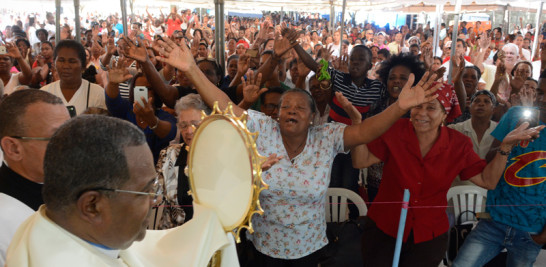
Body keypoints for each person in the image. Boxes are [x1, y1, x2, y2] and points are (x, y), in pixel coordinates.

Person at [155, 35, 441, 266]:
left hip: (310, 250)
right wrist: (191, 68)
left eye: (299, 107)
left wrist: (400, 106)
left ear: (313, 116)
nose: (291, 111)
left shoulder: (326, 137)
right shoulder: (262, 128)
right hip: (262, 249)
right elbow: (223, 105)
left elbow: (367, 130)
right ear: (276, 115)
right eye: (285, 107)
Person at [354, 76, 543, 266]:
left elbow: (488, 181)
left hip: (428, 236)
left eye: (431, 108)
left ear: (445, 114)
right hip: (385, 229)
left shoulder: (458, 144)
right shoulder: (396, 130)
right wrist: (357, 125)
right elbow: (360, 161)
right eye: (418, 106)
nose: (421, 113)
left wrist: (506, 146)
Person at [453, 70, 546, 267]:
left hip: (531, 230)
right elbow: (489, 157)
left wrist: (543, 236)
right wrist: (511, 141)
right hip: (494, 221)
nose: (542, 99)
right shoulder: (515, 114)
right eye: (539, 92)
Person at [0, 89, 70, 266]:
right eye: (56, 138)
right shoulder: (4, 220)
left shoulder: (70, 191)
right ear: (13, 148)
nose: (72, 147)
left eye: (70, 135)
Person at [156, 93, 210, 229]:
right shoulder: (169, 154)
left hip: (208, 236)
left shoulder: (220, 157)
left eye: (195, 124)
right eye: (184, 125)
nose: (189, 131)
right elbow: (155, 195)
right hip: (174, 234)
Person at [40, 40, 106, 115]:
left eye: (72, 61)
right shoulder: (44, 93)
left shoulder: (97, 94)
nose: (66, 66)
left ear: (83, 66)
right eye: (61, 60)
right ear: (54, 63)